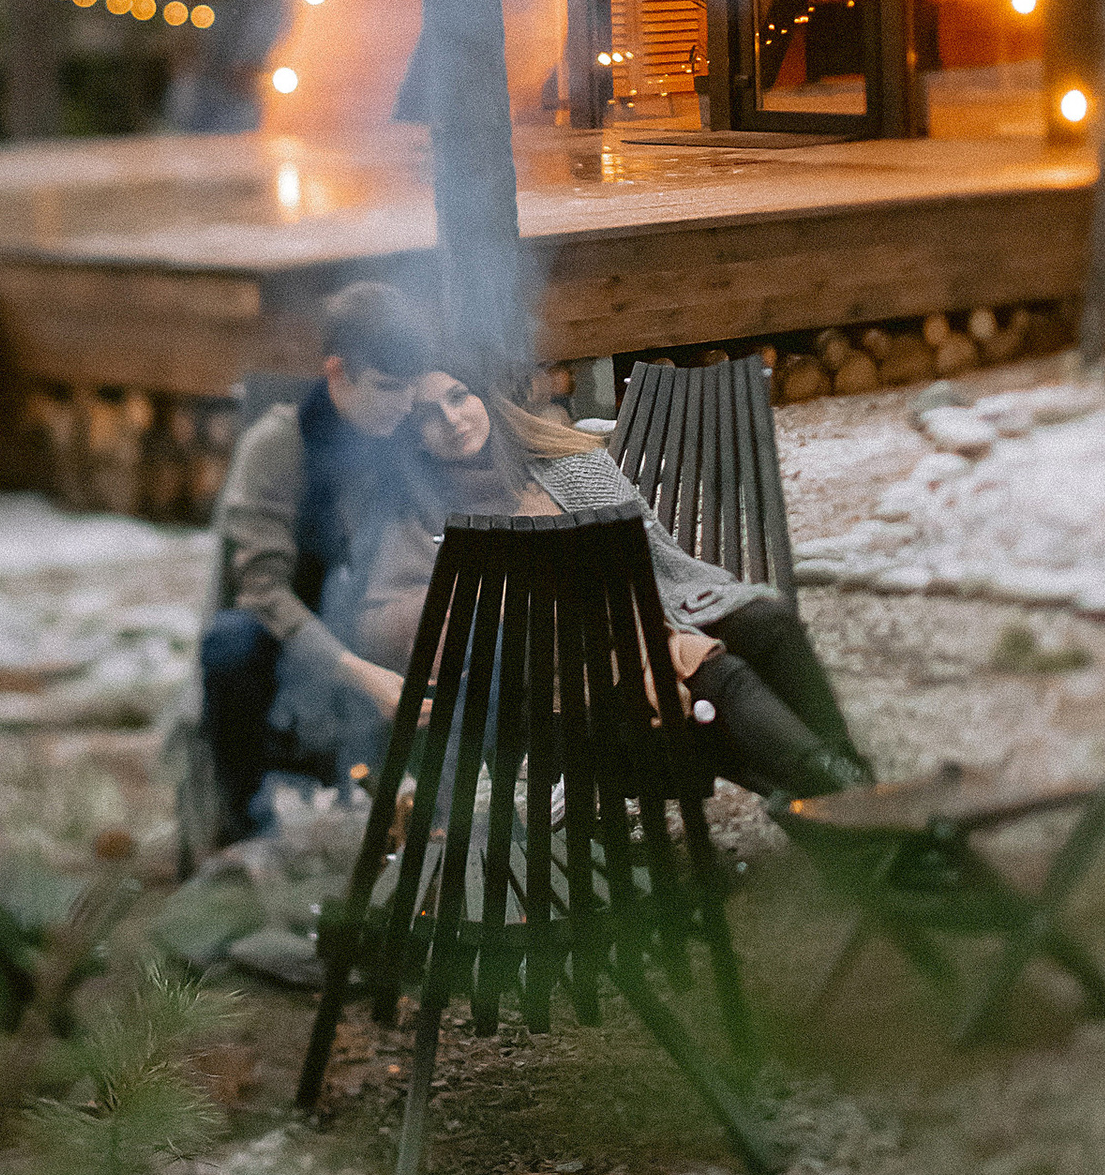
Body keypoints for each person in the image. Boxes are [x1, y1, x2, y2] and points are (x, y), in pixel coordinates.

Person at [294, 367, 870, 803]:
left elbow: (654, 559)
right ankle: (854, 808)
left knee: (766, 622)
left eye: (458, 395)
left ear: (483, 396)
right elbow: (403, 628)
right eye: (424, 415)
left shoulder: (565, 464)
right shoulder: (422, 517)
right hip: (560, 684)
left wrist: (656, 632)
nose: (450, 420)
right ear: (408, 436)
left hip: (650, 616)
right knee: (716, 674)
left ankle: (846, 798)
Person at [195, 281, 432, 837]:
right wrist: (357, 672)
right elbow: (261, 592)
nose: (402, 405)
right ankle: (244, 825)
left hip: (386, 616)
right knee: (229, 644)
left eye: (410, 390)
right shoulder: (279, 445)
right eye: (385, 388)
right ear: (335, 372)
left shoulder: (406, 432)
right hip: (293, 635)